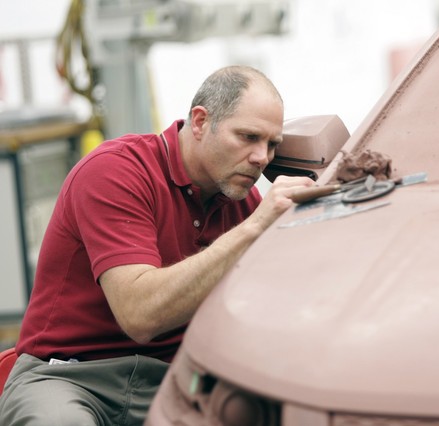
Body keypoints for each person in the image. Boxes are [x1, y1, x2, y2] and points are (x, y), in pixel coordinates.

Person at [0, 65, 314, 425]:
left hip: (172, 380)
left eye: (272, 144)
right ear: (199, 122)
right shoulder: (116, 172)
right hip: (69, 377)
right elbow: (140, 316)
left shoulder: (242, 203)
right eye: (248, 137)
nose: (262, 158)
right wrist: (256, 228)